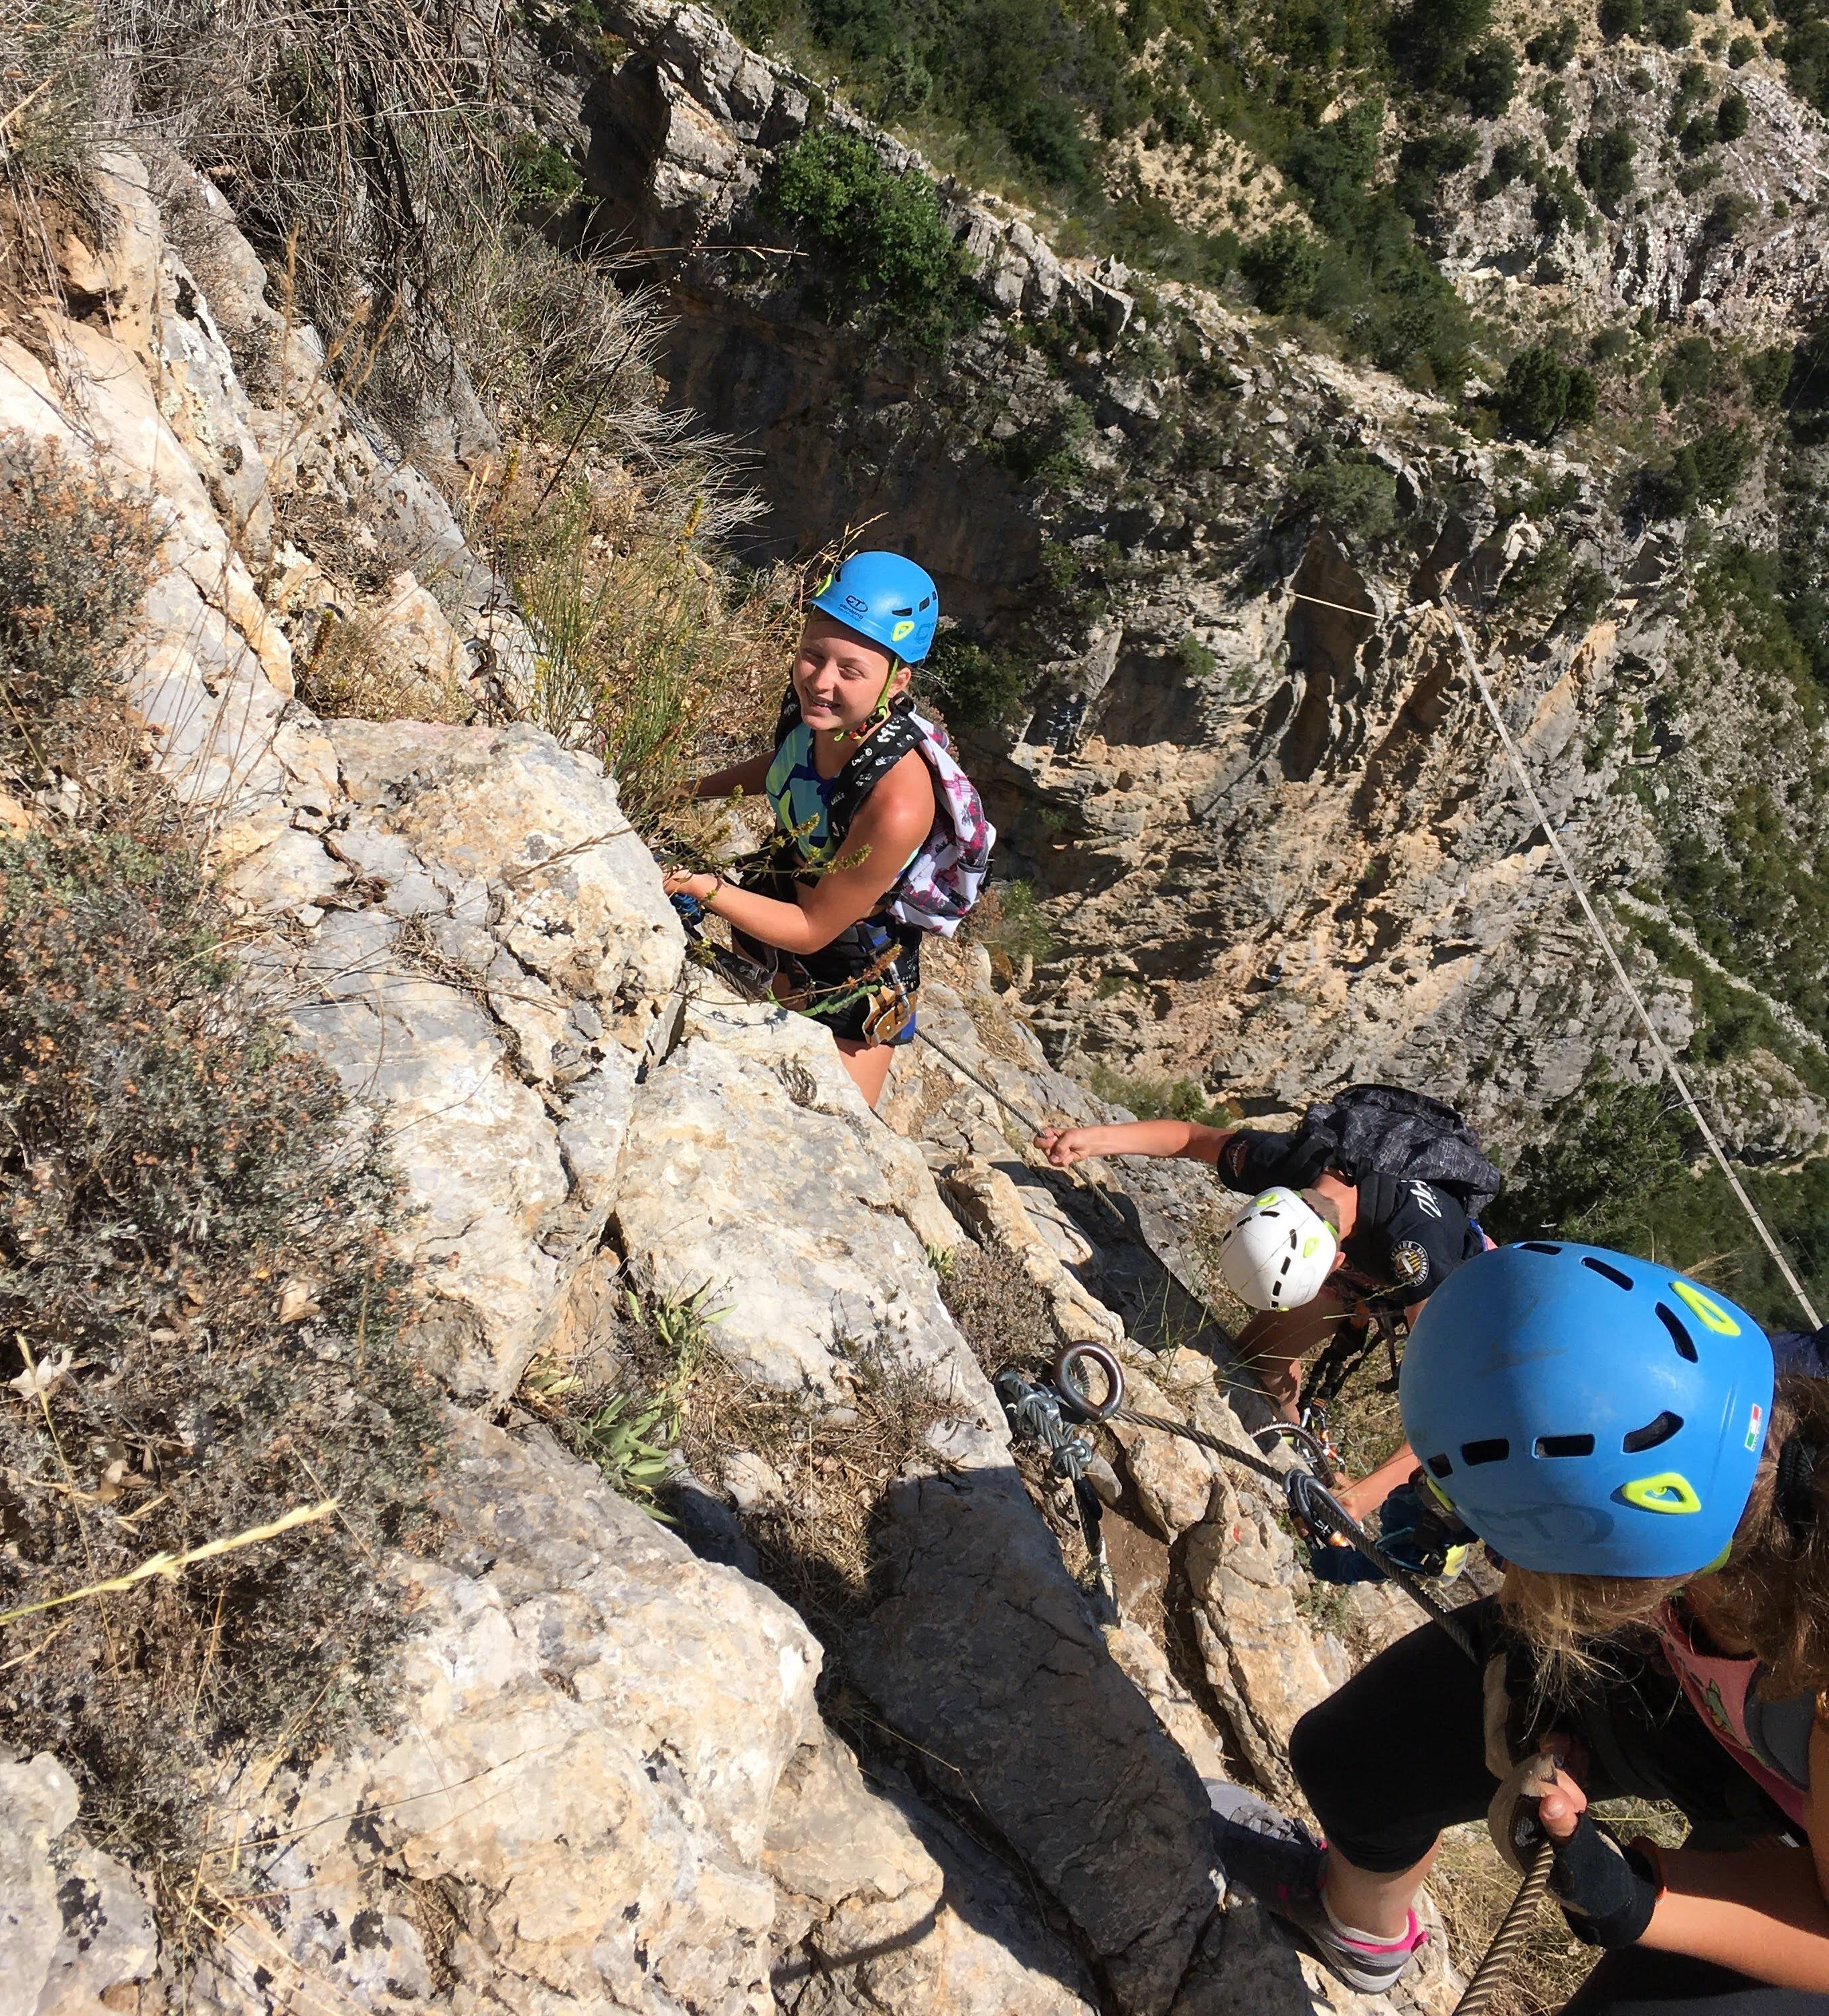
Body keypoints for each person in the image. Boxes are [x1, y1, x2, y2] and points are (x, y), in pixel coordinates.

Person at [1215, 1239, 1829, 2009]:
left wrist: (1636, 1896)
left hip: (1800, 1805)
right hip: (1706, 1671)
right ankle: (1360, 1935)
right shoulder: (1741, 1434)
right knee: (1362, 1756)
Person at [1035, 1083, 1496, 1520]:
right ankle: (1302, 1447)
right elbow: (1191, 1139)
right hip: (1359, 1254)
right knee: (1257, 1365)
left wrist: (1364, 1496)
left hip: (1454, 1281)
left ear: (1335, 1265)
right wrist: (1091, 1140)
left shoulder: (1418, 1254)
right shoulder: (1289, 1162)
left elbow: (1449, 1408)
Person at [661, 552, 991, 1110]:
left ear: (897, 681)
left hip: (850, 972)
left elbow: (814, 929)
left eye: (850, 671)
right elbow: (788, 764)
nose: (820, 681)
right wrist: (682, 792)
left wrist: (700, 887)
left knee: (832, 1121)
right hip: (772, 915)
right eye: (812, 655)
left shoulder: (898, 804)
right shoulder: (815, 716)